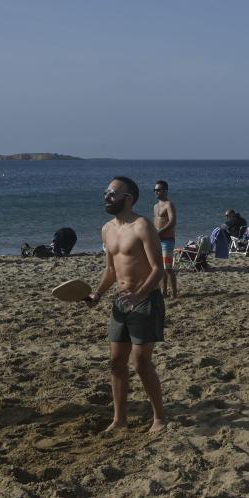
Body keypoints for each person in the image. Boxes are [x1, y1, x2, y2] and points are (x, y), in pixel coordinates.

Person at [86, 176, 167, 434]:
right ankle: (119, 419)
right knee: (116, 362)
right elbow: (110, 270)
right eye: (106, 192)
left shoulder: (142, 226)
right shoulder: (106, 229)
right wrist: (97, 294)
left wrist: (139, 294)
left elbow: (159, 270)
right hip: (120, 302)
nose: (107, 196)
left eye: (113, 192)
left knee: (141, 362)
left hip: (145, 301)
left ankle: (159, 418)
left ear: (128, 198)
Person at [152, 180, 178, 298]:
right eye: (155, 190)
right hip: (157, 240)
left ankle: (174, 293)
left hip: (167, 240)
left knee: (167, 268)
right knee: (160, 268)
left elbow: (173, 222)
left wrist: (160, 232)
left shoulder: (169, 204)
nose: (156, 192)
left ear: (165, 191)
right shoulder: (155, 206)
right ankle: (164, 291)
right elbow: (155, 222)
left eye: (159, 190)